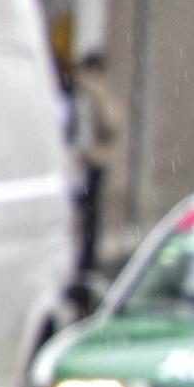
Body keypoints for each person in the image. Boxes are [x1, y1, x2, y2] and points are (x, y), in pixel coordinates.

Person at [72, 51, 122, 278]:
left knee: (89, 217)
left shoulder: (94, 93)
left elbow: (111, 126)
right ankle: (82, 264)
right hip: (81, 164)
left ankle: (85, 265)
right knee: (84, 217)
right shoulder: (84, 94)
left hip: (91, 164)